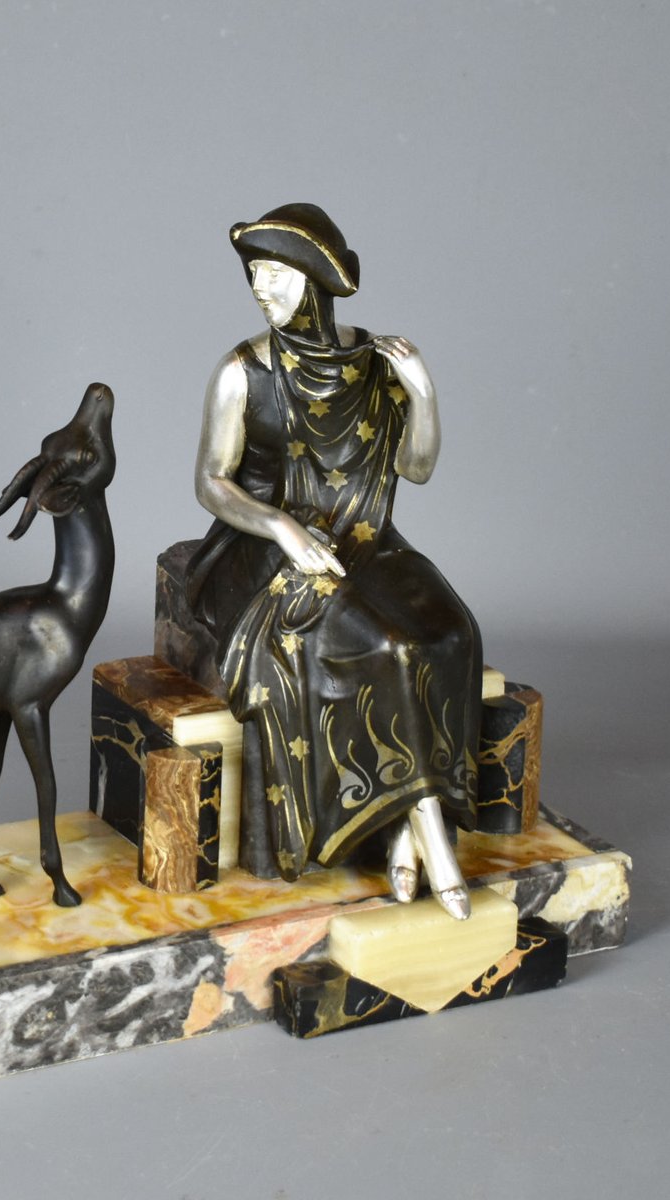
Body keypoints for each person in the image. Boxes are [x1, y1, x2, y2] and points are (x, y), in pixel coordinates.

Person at [186, 203, 481, 919]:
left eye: (275, 274)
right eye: (254, 274)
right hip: (264, 548)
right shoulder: (241, 371)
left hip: (364, 536)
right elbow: (210, 481)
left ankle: (406, 831)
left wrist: (422, 392)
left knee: (451, 631)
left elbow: (415, 469)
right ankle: (432, 841)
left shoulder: (374, 366)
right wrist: (281, 529)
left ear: (314, 279)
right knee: (386, 646)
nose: (259, 288)